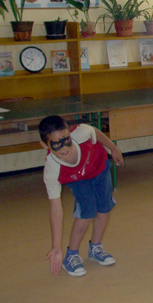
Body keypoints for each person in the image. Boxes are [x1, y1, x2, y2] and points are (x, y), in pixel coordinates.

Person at [39, 116, 124, 277]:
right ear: (45, 145)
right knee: (87, 212)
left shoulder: (81, 133)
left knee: (104, 208)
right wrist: (56, 246)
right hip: (77, 180)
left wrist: (113, 148)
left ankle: (95, 248)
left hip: (98, 167)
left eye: (66, 141)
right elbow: (56, 207)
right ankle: (71, 255)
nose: (64, 148)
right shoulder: (52, 169)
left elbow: (95, 132)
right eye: (56, 144)